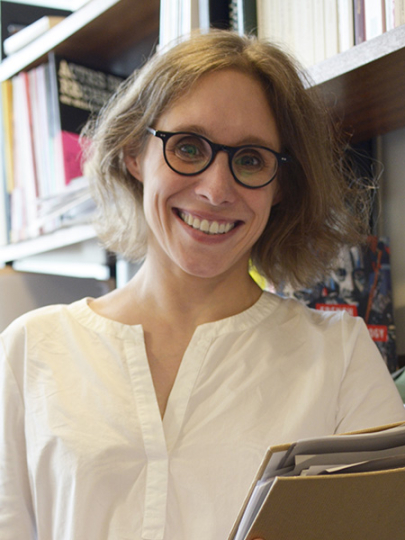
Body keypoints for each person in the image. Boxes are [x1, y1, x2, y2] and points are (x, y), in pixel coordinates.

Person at [1, 30, 404, 540]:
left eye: (251, 159)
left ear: (281, 184)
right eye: (189, 148)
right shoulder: (31, 350)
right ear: (133, 152)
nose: (216, 190)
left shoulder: (340, 358)